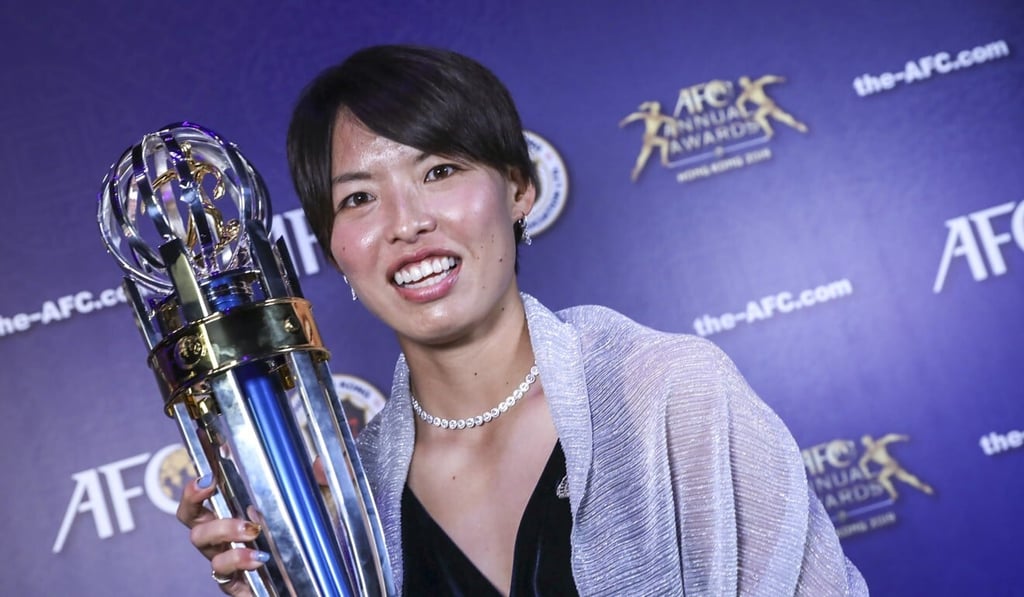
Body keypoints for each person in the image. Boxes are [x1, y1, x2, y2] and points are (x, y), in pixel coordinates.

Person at [178, 44, 868, 596]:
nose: (408, 222)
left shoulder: (671, 396)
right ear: (333, 246)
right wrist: (273, 582)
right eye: (359, 197)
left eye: (441, 170)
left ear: (519, 189)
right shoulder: (347, 499)